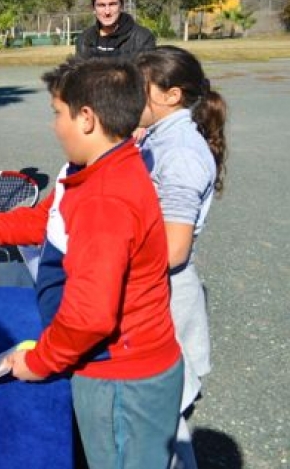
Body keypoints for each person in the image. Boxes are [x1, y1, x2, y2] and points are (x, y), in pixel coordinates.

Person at [0, 57, 183, 468]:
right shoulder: (92, 169)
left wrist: (39, 362)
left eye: (58, 113)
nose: (54, 125)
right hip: (114, 371)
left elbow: (91, 315)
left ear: (87, 118)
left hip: (123, 381)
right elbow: (45, 220)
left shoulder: (105, 198)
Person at [135, 46, 227, 469]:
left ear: (172, 96)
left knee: (164, 418)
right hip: (161, 290)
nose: (132, 97)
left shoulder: (182, 153)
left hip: (165, 296)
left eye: (141, 88)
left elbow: (173, 249)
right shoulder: (162, 138)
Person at [75, 0, 156, 58]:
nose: (107, 12)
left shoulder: (142, 38)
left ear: (121, 6)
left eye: (112, 4)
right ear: (93, 8)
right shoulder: (84, 40)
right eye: (101, 5)